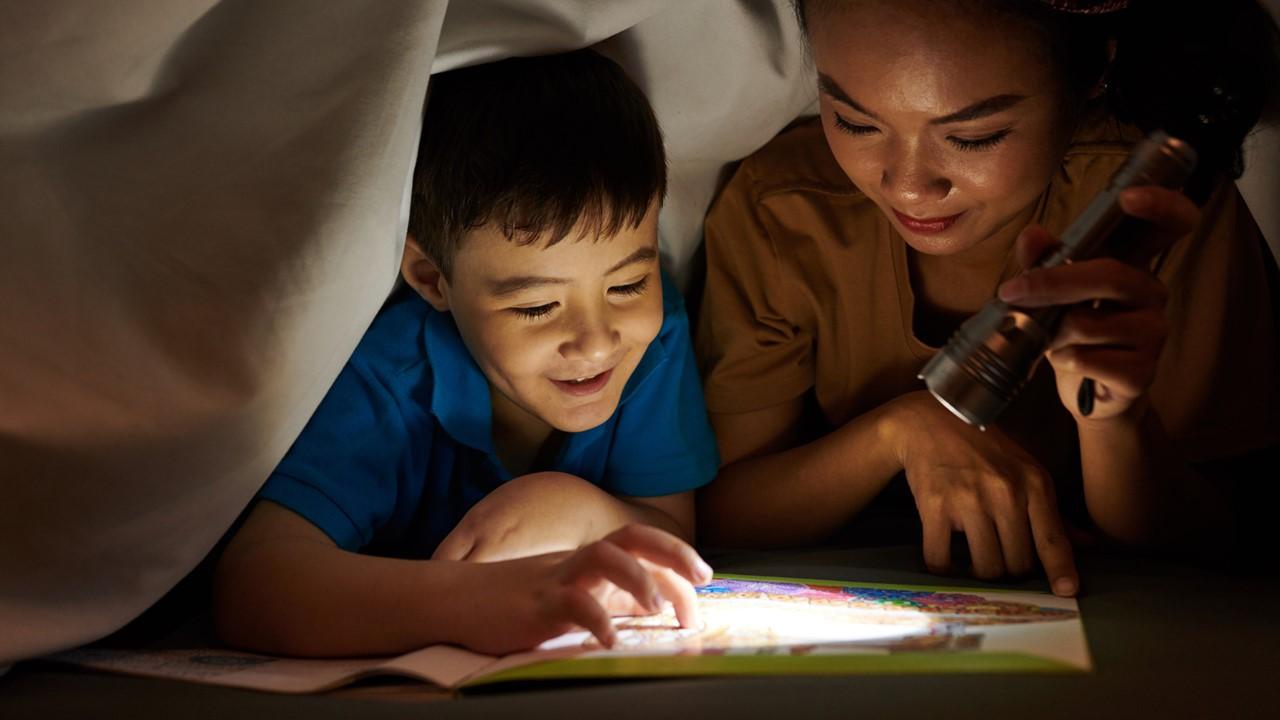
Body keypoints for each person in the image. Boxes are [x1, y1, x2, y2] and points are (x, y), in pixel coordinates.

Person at [696, 0, 1280, 596]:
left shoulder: (1152, 212)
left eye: (974, 137)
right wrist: (901, 432)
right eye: (855, 122)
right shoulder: (784, 209)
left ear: (1094, 74)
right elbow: (726, 516)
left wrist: (1114, 422)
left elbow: (1222, 544)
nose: (910, 187)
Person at [214, 49, 719, 657]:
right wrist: (466, 601)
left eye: (627, 285)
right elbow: (254, 582)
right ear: (431, 279)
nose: (596, 340)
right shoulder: (392, 378)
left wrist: (574, 508)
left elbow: (673, 535)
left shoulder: (653, 342)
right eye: (536, 307)